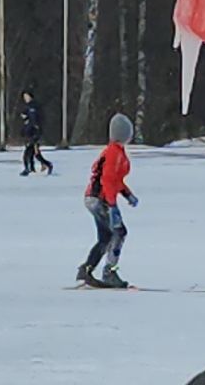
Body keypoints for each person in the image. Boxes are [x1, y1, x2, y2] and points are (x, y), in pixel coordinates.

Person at [77, 112, 139, 289]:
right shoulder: (114, 153)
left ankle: (87, 269)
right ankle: (110, 271)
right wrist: (112, 206)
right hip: (99, 199)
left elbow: (116, 181)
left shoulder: (115, 151)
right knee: (119, 232)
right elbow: (108, 180)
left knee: (105, 237)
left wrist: (127, 195)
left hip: (94, 198)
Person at [19, 90, 54, 176]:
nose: (25, 98)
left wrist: (37, 130)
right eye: (24, 97)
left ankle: (30, 168)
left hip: (34, 133)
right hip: (29, 132)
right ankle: (36, 167)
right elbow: (26, 119)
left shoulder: (35, 106)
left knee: (29, 152)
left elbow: (37, 120)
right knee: (34, 153)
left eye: (27, 96)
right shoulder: (27, 107)